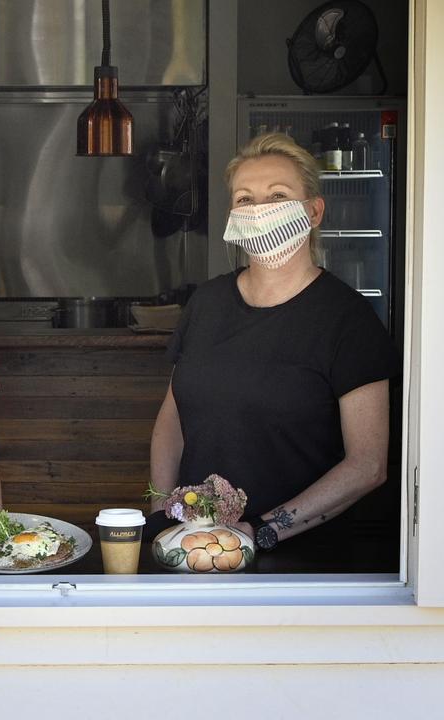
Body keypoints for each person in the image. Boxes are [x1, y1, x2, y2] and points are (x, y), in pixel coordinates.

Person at [149, 132, 396, 553]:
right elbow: (171, 423)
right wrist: (164, 514)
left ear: (314, 211)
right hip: (197, 551)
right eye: (245, 199)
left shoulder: (348, 320)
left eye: (278, 195)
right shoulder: (206, 303)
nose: (259, 209)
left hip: (304, 565)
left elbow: (367, 466)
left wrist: (260, 531)